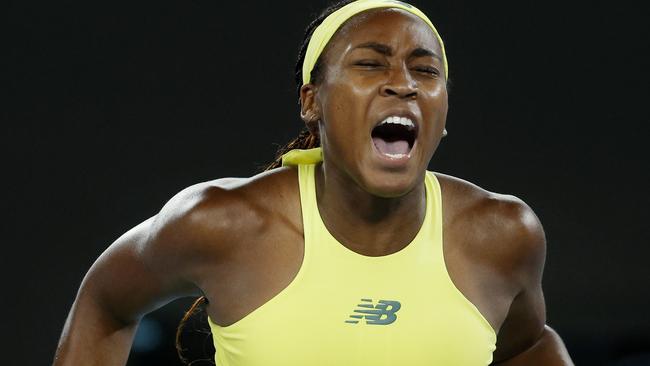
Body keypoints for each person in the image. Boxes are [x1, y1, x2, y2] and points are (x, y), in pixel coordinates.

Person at [53, 0, 575, 365]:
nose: (403, 84)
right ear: (312, 102)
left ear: (442, 109)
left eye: (426, 71)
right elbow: (106, 303)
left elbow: (527, 348)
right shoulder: (223, 223)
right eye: (371, 63)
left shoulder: (503, 235)